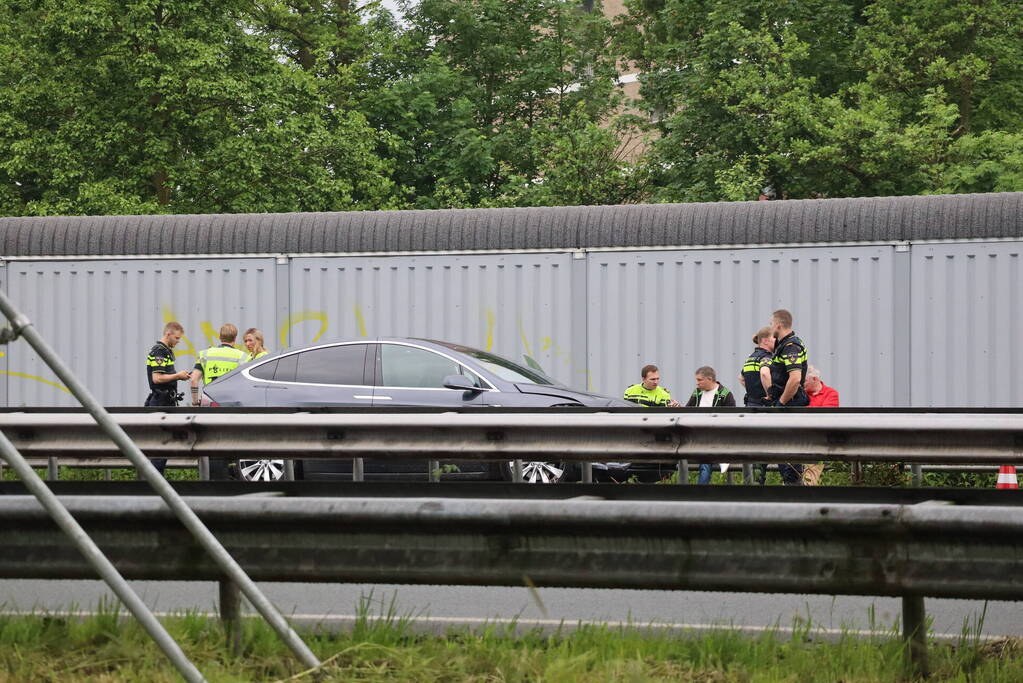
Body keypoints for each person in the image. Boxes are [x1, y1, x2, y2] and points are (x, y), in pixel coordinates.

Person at [765, 309, 810, 485]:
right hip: (785, 405)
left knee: (789, 452)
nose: (770, 327)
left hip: (789, 406)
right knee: (783, 451)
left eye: (771, 323)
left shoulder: (791, 346)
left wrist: (781, 403)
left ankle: (794, 493)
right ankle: (791, 489)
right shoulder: (783, 345)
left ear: (778, 325)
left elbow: (795, 378)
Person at [145, 321, 191, 474]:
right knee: (162, 444)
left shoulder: (165, 351)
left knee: (164, 445)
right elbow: (157, 378)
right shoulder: (160, 351)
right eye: (177, 338)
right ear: (168, 334)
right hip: (161, 401)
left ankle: (157, 479)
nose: (178, 342)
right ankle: (156, 480)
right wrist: (178, 376)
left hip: (165, 400)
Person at [685, 366, 736, 484]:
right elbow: (687, 411)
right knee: (705, 461)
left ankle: (700, 493)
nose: (697, 383)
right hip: (697, 436)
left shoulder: (725, 394)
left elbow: (731, 419)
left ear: (710, 379)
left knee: (705, 463)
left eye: (699, 380)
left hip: (717, 436)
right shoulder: (697, 393)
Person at [741, 327, 776, 484]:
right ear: (766, 340)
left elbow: (741, 378)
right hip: (763, 407)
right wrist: (770, 394)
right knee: (765, 444)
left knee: (753, 445)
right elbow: (764, 373)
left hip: (750, 405)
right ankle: (758, 482)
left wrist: (753, 390)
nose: (777, 341)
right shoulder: (767, 356)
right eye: (774, 338)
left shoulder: (750, 358)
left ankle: (752, 482)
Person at [190, 324, 248, 406]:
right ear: (235, 338)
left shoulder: (205, 354)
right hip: (232, 403)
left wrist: (195, 403)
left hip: (210, 402)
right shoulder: (243, 357)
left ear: (220, 337)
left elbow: (193, 380)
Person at [802, 365, 840, 485]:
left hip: (819, 439)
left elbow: (826, 416)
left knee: (809, 479)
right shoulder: (801, 394)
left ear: (815, 379)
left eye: (805, 381)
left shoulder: (831, 393)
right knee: (792, 475)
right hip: (801, 437)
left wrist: (806, 411)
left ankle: (806, 493)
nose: (802, 384)